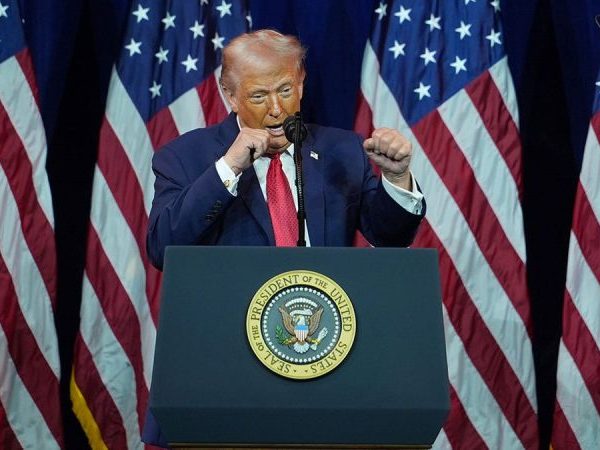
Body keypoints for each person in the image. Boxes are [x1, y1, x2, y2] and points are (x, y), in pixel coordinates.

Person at [146, 29, 425, 270]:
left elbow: (391, 239)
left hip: (323, 311)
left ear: (300, 85)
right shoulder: (184, 157)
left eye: (285, 91)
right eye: (259, 96)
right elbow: (163, 251)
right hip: (235, 313)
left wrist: (397, 177)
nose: (277, 109)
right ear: (231, 96)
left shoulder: (342, 151)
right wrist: (229, 168)